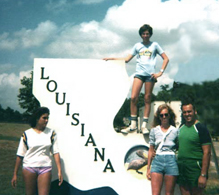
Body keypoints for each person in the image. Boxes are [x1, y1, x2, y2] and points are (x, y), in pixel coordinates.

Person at [104, 24, 169, 134]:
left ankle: (144, 125)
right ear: (141, 35)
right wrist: (112, 58)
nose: (145, 35)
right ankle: (133, 124)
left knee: (147, 98)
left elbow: (166, 58)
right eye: (143, 34)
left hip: (150, 75)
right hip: (139, 74)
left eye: (147, 34)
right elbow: (127, 59)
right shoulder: (137, 46)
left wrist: (160, 73)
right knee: (133, 97)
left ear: (150, 34)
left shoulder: (155, 45)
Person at [11, 107, 63, 195]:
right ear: (37, 118)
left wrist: (59, 171)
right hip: (29, 168)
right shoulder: (26, 134)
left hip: (45, 168)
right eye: (44, 118)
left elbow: (56, 152)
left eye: (47, 118)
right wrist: (15, 174)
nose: (46, 120)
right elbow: (20, 155)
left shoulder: (51, 133)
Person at [177, 103, 211, 195]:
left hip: (195, 169)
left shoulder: (201, 128)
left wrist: (203, 175)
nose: (187, 114)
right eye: (184, 112)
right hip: (182, 168)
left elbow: (207, 152)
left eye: (189, 111)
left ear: (195, 112)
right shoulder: (181, 128)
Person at [147, 104, 179, 195]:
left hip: (171, 161)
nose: (164, 117)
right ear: (159, 117)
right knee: (155, 193)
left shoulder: (175, 131)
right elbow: (151, 149)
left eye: (166, 114)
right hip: (157, 161)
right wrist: (148, 167)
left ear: (170, 115)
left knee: (169, 193)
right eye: (161, 115)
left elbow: (178, 146)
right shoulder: (154, 130)